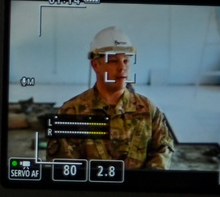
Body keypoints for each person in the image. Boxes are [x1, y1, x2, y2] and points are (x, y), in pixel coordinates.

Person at [47, 25, 174, 170]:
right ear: (96, 65)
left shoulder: (148, 109)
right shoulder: (71, 111)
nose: (122, 68)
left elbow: (162, 151)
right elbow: (64, 167)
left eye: (126, 61)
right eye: (113, 61)